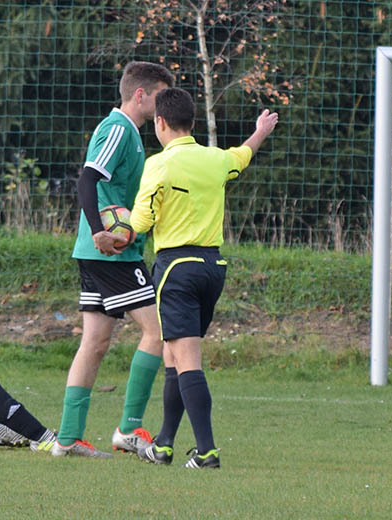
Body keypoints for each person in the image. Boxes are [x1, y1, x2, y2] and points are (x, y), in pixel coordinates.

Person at [129, 87, 279, 468]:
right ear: (193, 123)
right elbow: (242, 158)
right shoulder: (215, 159)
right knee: (173, 354)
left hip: (176, 268)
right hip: (212, 268)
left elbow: (141, 222)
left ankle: (207, 451)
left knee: (187, 359)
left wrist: (117, 228)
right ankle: (163, 444)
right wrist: (260, 130)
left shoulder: (159, 165)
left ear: (160, 123)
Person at [51, 61, 175, 458]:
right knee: (157, 331)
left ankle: (68, 439)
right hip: (110, 254)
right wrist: (97, 230)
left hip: (104, 251)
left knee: (95, 341)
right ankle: (129, 429)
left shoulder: (132, 135)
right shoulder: (119, 128)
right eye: (159, 95)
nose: (162, 105)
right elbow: (88, 177)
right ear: (140, 94)